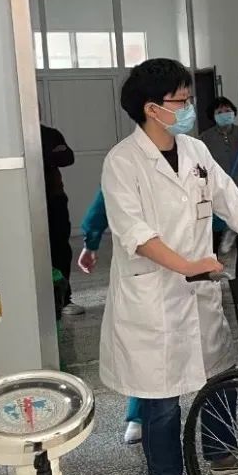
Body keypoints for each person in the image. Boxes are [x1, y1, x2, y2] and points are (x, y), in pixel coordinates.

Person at [99, 58, 238, 475]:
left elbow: (232, 201)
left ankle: (222, 454)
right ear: (152, 108)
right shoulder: (122, 162)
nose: (190, 107)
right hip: (154, 295)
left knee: (220, 376)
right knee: (161, 397)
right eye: (181, 100)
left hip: (199, 288)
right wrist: (188, 266)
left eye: (189, 98)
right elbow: (136, 235)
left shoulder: (194, 150)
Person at [77, 189, 143, 446]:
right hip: (154, 269)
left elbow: (100, 206)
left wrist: (90, 244)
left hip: (148, 269)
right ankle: (139, 416)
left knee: (147, 349)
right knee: (150, 349)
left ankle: (139, 416)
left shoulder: (125, 170)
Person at [199, 96, 238, 277]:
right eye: (220, 112)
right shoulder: (205, 138)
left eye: (227, 111)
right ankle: (213, 276)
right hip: (218, 193)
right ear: (213, 116)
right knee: (214, 237)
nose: (224, 114)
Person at [41, 123, 84, 316]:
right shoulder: (14, 137)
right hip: (24, 200)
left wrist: (46, 157)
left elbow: (67, 157)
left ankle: (64, 299)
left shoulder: (50, 134)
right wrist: (49, 156)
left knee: (60, 249)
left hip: (54, 198)